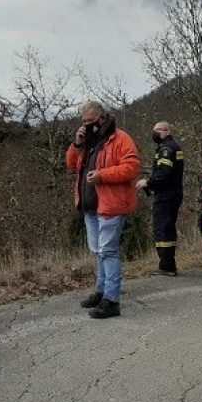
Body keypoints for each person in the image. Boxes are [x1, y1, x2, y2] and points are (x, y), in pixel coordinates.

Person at [65, 101, 139, 319]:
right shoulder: (87, 140)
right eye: (84, 122)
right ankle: (101, 291)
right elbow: (71, 165)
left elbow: (132, 167)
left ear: (102, 117)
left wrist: (102, 175)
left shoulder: (121, 138)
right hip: (90, 206)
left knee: (108, 251)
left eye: (90, 121)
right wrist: (77, 144)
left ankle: (112, 299)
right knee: (99, 252)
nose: (87, 125)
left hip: (112, 205)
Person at [137, 122, 184, 276]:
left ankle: (167, 265)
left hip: (166, 196)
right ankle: (167, 264)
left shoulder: (167, 148)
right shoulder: (169, 146)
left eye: (157, 130)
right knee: (166, 228)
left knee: (163, 229)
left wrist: (148, 182)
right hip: (170, 194)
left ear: (166, 131)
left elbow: (164, 173)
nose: (154, 133)